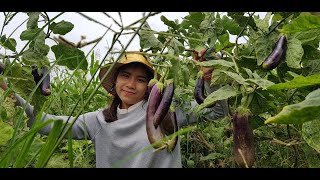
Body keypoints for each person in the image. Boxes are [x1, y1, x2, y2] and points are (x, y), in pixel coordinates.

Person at [0, 51, 228, 168]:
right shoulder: (97, 121)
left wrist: (212, 77)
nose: (130, 84)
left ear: (150, 87)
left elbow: (216, 111)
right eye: (125, 76)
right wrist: (10, 90)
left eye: (140, 80)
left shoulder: (167, 111)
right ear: (115, 81)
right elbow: (47, 123)